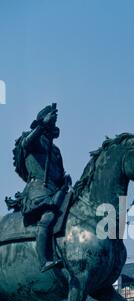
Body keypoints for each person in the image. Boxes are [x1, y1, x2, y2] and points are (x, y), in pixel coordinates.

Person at [12, 104, 71, 272]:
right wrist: (42, 125)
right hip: (38, 188)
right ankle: (44, 260)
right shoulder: (32, 140)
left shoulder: (56, 150)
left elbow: (58, 173)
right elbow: (26, 143)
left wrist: (65, 180)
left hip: (55, 189)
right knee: (48, 216)